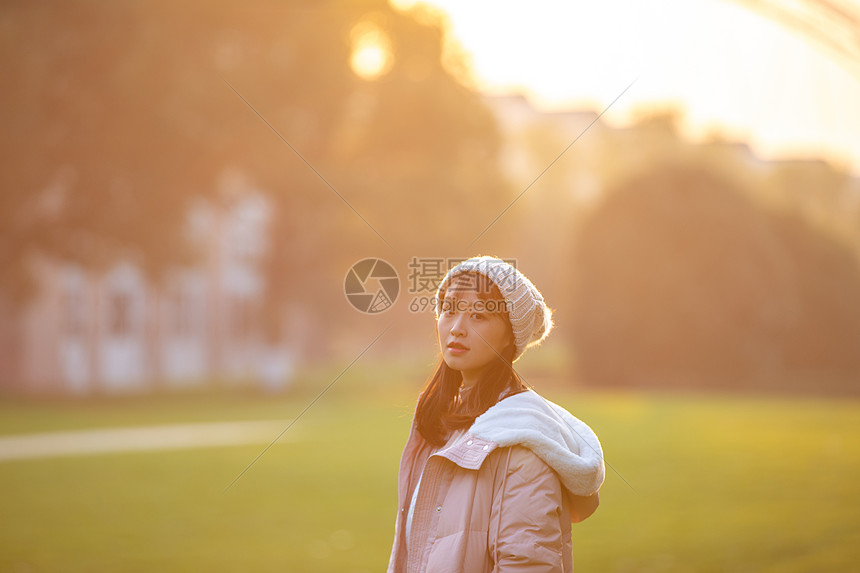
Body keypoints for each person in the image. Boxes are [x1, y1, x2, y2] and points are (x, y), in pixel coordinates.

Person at [387, 256, 605, 573]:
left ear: (510, 335)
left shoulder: (521, 442)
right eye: (449, 310)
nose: (457, 328)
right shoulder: (442, 423)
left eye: (478, 315)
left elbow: (528, 565)